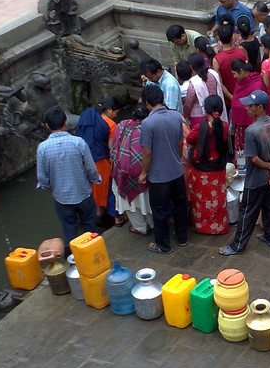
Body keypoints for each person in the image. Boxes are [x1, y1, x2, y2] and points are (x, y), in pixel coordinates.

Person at [220, 91, 270, 255]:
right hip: (269, 178)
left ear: (260, 107)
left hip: (255, 179)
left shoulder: (251, 130)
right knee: (269, 206)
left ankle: (237, 245)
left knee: (247, 212)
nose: (246, 108)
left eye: (250, 105)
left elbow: (254, 159)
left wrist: (269, 166)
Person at [37, 106, 100, 248]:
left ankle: (72, 260)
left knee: (69, 229)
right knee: (90, 226)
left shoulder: (43, 148)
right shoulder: (78, 142)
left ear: (47, 126)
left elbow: (42, 178)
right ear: (66, 123)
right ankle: (94, 254)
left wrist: (49, 188)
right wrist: (95, 180)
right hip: (83, 192)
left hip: (61, 198)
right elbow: (91, 169)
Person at [138, 85, 190, 254]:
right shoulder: (176, 116)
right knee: (180, 205)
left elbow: (147, 152)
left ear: (147, 103)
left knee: (159, 211)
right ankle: (182, 238)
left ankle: (163, 245)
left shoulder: (147, 123)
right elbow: (179, 142)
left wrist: (144, 172)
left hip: (159, 177)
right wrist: (176, 158)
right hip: (176, 171)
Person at [187, 96, 231, 235]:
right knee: (217, 199)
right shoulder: (224, 125)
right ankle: (218, 226)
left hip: (201, 169)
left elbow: (189, 139)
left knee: (201, 199)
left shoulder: (200, 127)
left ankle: (202, 226)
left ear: (206, 110)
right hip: (218, 167)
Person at [75, 96, 121, 219]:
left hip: (85, 158)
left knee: (92, 186)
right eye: (116, 112)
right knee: (104, 187)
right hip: (101, 160)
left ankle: (96, 213)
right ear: (109, 110)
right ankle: (103, 214)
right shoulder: (111, 124)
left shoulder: (89, 117)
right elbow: (111, 148)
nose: (116, 115)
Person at [111, 104, 152, 235]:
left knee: (130, 203)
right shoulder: (150, 128)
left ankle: (140, 227)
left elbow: (113, 149)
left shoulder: (121, 125)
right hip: (146, 172)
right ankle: (152, 223)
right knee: (149, 199)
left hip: (123, 173)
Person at [230, 58, 268, 159]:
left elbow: (260, 107)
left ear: (241, 71)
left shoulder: (257, 84)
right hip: (240, 126)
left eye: (234, 73)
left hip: (254, 125)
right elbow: (236, 101)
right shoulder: (240, 81)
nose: (234, 76)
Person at [184, 53, 226, 128]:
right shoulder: (213, 74)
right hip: (216, 110)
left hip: (199, 116)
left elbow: (188, 104)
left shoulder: (193, 83)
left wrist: (185, 116)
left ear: (191, 67)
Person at [212, 24, 248, 102]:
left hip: (229, 99)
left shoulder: (216, 60)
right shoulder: (241, 52)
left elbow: (219, 83)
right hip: (244, 94)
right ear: (232, 37)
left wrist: (232, 97)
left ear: (219, 39)